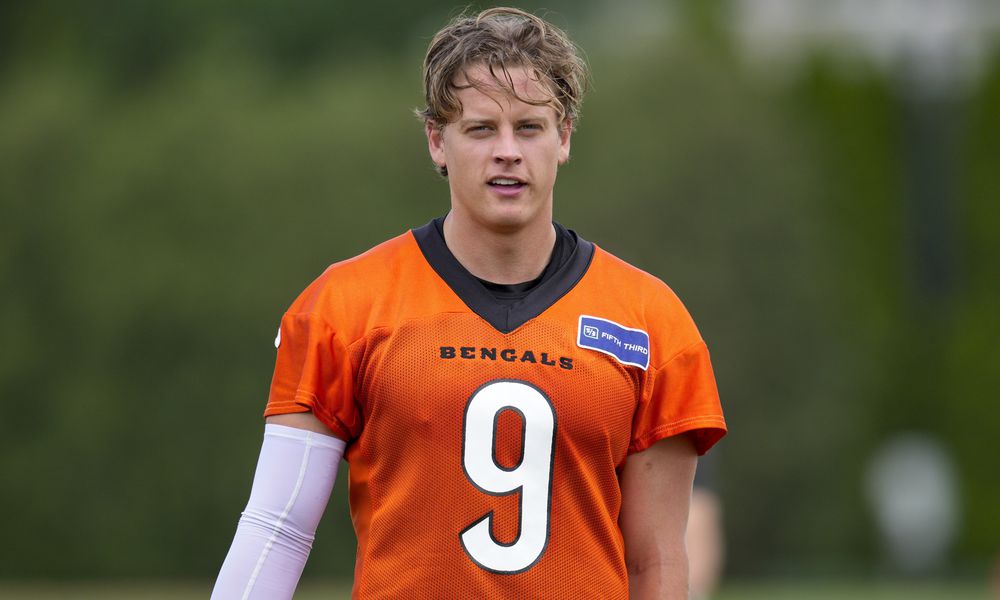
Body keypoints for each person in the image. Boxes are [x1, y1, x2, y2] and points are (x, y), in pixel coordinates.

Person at [212, 7, 726, 599]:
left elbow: (657, 563)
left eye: (529, 128)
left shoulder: (650, 320)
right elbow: (278, 529)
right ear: (437, 140)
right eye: (482, 129)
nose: (507, 151)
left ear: (563, 138)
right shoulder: (343, 306)